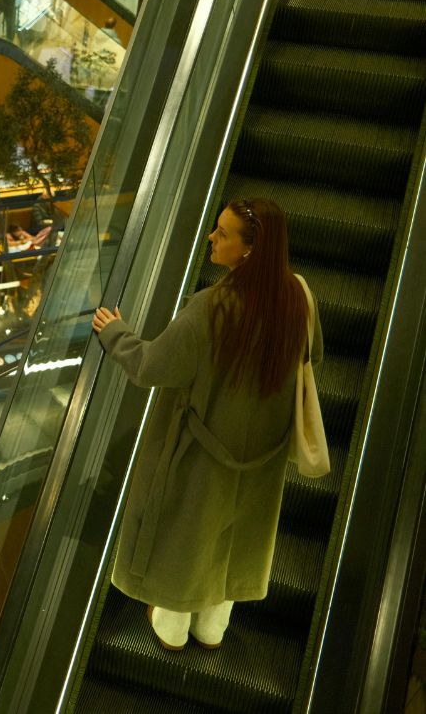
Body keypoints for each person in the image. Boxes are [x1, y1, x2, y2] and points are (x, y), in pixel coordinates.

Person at [91, 197, 321, 651]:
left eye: (223, 233)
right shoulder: (300, 296)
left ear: (250, 249)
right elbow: (309, 359)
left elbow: (153, 368)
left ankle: (173, 626)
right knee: (239, 533)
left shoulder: (211, 307)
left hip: (204, 445)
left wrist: (115, 333)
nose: (212, 238)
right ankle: (213, 628)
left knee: (189, 530)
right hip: (265, 452)